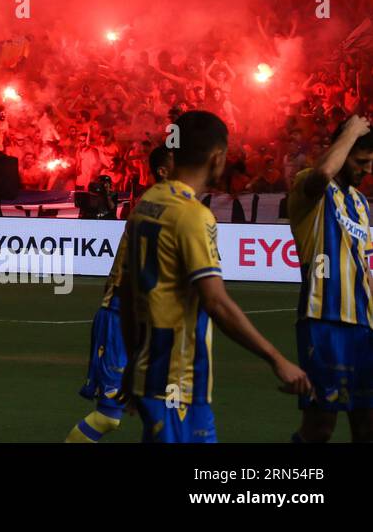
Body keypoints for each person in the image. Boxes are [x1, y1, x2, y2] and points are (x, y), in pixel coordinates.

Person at [120, 110, 311, 443]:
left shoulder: (147, 203)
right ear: (217, 157)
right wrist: (277, 359)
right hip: (175, 378)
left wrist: (132, 362)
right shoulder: (192, 216)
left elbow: (126, 293)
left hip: (155, 371)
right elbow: (217, 303)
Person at [66, 144, 172, 442]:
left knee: (162, 413)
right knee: (108, 417)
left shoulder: (170, 206)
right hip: (120, 317)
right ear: (164, 170)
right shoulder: (155, 207)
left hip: (147, 322)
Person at [286, 114, 373, 442]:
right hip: (322, 321)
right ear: (344, 150)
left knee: (367, 427)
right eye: (362, 161)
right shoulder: (312, 187)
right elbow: (324, 172)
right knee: (321, 426)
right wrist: (350, 130)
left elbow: (363, 267)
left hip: (363, 329)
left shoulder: (361, 204)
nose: (367, 170)